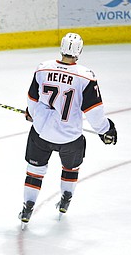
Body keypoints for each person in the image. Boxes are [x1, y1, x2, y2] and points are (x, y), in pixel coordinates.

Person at [19, 33, 117, 227]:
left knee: (35, 171)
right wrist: (107, 130)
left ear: (61, 47)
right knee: (70, 168)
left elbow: (32, 102)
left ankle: (28, 207)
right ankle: (65, 199)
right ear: (79, 51)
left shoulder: (42, 68)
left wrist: (33, 114)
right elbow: (95, 114)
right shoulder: (85, 76)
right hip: (70, 137)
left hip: (41, 133)